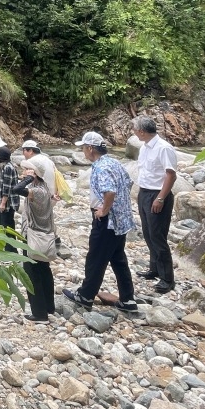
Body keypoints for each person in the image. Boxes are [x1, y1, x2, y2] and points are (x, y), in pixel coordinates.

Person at [63, 131, 138, 313]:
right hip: (120, 219)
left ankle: (86, 295)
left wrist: (104, 209)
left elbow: (110, 191)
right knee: (118, 259)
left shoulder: (100, 167)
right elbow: (128, 183)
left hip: (107, 220)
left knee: (95, 258)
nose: (83, 151)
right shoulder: (114, 162)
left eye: (83, 147)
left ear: (90, 148)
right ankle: (128, 299)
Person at [132, 115, 178, 293]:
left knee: (158, 236)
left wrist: (160, 198)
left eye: (135, 130)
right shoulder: (144, 147)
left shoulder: (163, 148)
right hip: (144, 192)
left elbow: (171, 175)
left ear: (142, 131)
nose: (134, 132)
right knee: (148, 233)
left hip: (158, 194)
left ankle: (167, 279)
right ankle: (155, 269)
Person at [15, 157, 56, 322]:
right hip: (43, 235)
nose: (24, 172)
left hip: (34, 236)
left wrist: (27, 179)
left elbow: (16, 189)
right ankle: (49, 306)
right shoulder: (44, 187)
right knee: (44, 270)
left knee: (32, 274)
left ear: (35, 174)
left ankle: (39, 313)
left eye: (27, 170)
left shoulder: (37, 191)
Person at [20, 139, 62, 249]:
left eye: (24, 150)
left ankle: (29, 245)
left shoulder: (33, 162)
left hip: (37, 194)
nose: (23, 153)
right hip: (50, 195)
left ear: (30, 151)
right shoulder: (48, 160)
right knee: (47, 218)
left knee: (28, 218)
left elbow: (27, 180)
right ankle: (54, 240)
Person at [0, 146, 18, 251]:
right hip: (11, 202)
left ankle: (10, 250)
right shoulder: (10, 165)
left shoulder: (8, 168)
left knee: (7, 227)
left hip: (8, 204)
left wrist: (2, 203)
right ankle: (12, 250)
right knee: (10, 226)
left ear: (1, 158)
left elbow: (6, 188)